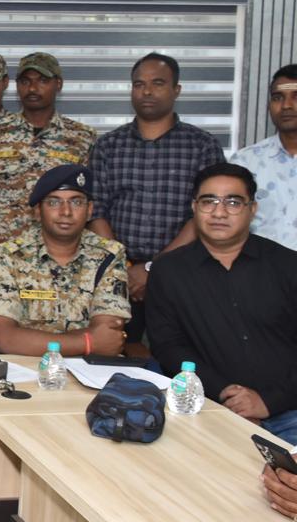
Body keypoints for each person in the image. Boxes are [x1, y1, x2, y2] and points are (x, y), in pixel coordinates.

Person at [146, 162, 297, 443]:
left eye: (233, 202)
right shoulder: (168, 271)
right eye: (209, 201)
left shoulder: (288, 265)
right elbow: (167, 346)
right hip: (208, 407)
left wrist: (268, 401)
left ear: (252, 209)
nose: (219, 212)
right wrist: (228, 395)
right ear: (194, 207)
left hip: (290, 410)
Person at [88, 53, 223, 343]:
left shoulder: (202, 146)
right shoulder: (108, 146)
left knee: (182, 355)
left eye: (157, 83)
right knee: (113, 352)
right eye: (139, 84)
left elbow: (207, 213)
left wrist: (154, 268)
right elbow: (96, 210)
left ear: (177, 90)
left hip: (185, 272)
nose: (147, 91)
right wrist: (123, 268)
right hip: (117, 274)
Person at [0, 165, 130, 357]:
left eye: (76, 202)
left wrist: (31, 341)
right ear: (38, 211)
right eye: (54, 202)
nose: (66, 212)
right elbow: (4, 339)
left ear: (89, 210)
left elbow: (107, 336)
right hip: (26, 367)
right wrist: (87, 343)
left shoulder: (109, 255)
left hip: (89, 367)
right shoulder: (9, 256)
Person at [0, 52, 96, 242]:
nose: (32, 88)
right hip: (4, 250)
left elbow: (88, 203)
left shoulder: (81, 137)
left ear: (58, 84)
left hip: (61, 249)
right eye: (25, 81)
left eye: (42, 81)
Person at [231, 64, 297, 250]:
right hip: (260, 266)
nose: (286, 105)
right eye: (278, 98)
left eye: (296, 96)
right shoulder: (245, 162)